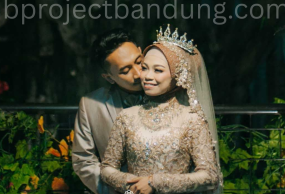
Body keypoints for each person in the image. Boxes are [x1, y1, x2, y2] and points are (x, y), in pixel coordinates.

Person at [100, 26, 223, 194]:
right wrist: (132, 185)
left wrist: (155, 182)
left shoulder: (192, 120)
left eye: (158, 70)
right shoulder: (127, 116)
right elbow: (107, 168)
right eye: (144, 68)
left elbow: (209, 176)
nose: (146, 76)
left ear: (177, 75)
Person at [73, 28, 146, 194]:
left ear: (142, 52)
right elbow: (83, 160)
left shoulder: (172, 93)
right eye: (125, 70)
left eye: (139, 61)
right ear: (109, 78)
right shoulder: (90, 105)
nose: (138, 73)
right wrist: (123, 189)